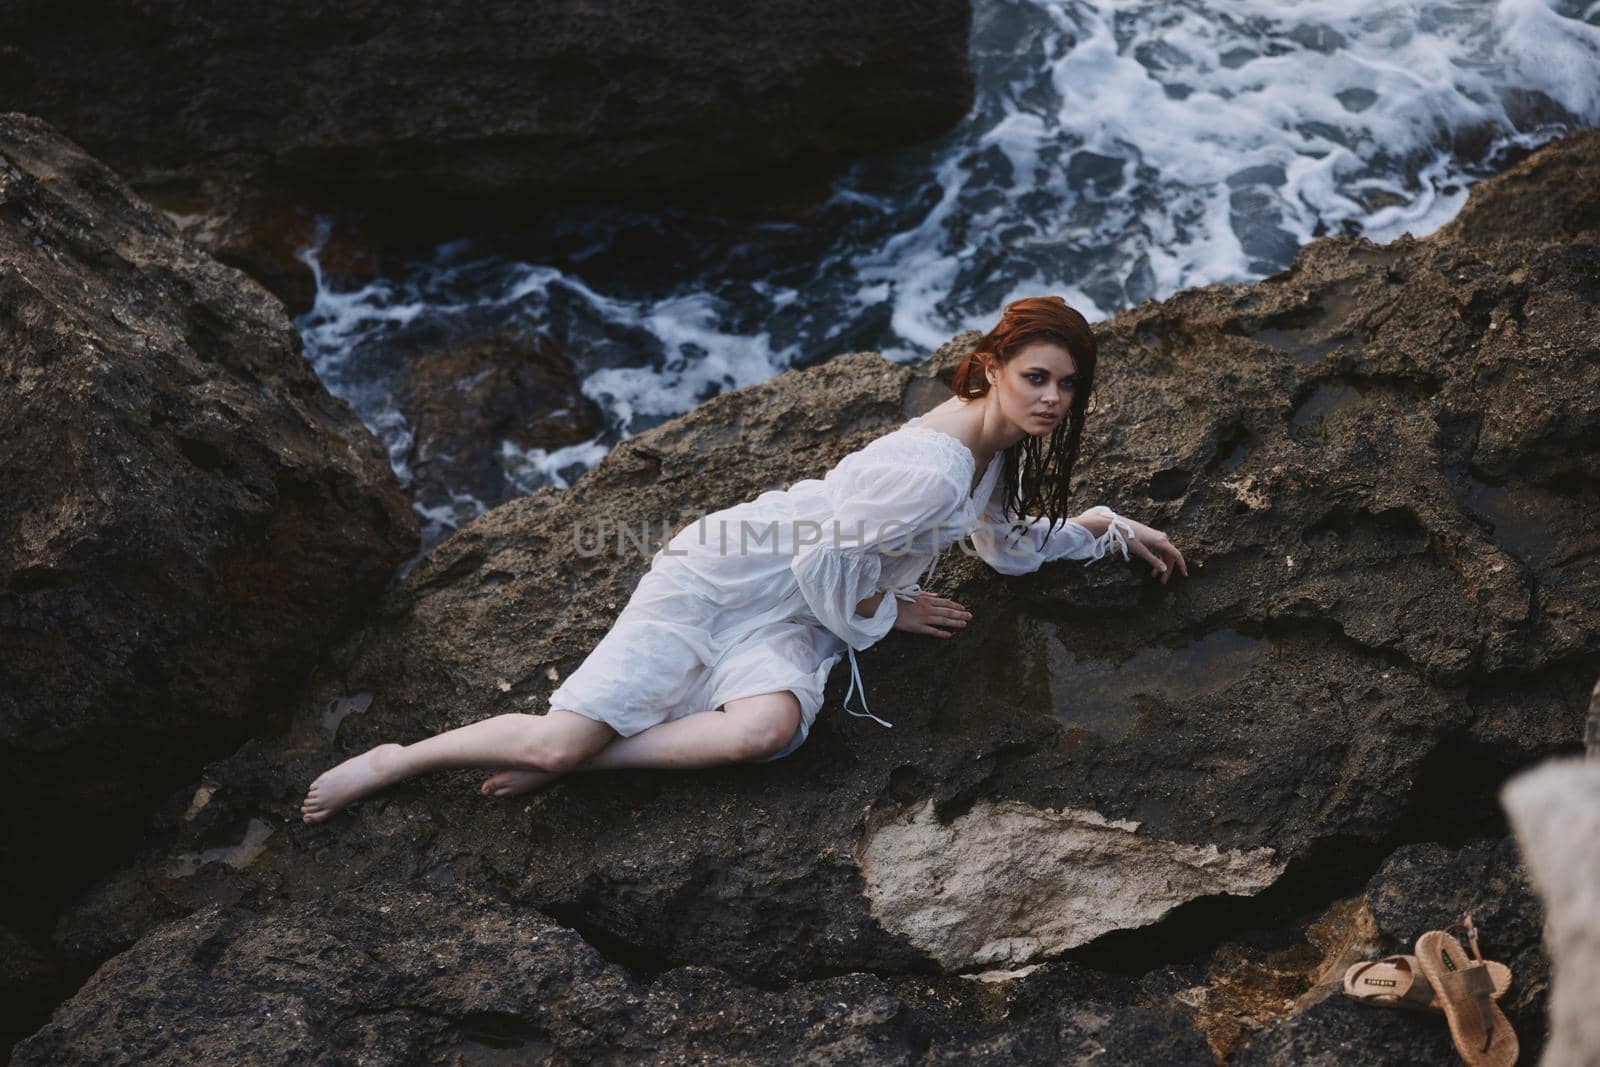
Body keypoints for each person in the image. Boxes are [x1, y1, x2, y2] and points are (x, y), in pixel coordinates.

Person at [301, 296, 1187, 824]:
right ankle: (399, 758)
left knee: (764, 731)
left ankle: (587, 762)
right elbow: (822, 562)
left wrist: (1098, 526)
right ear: (990, 368)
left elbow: (1007, 549)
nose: (1054, 398)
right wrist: (890, 609)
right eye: (1037, 376)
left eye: (1068, 385)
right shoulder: (934, 466)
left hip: (799, 609)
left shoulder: (990, 453)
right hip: (731, 575)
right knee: (552, 735)